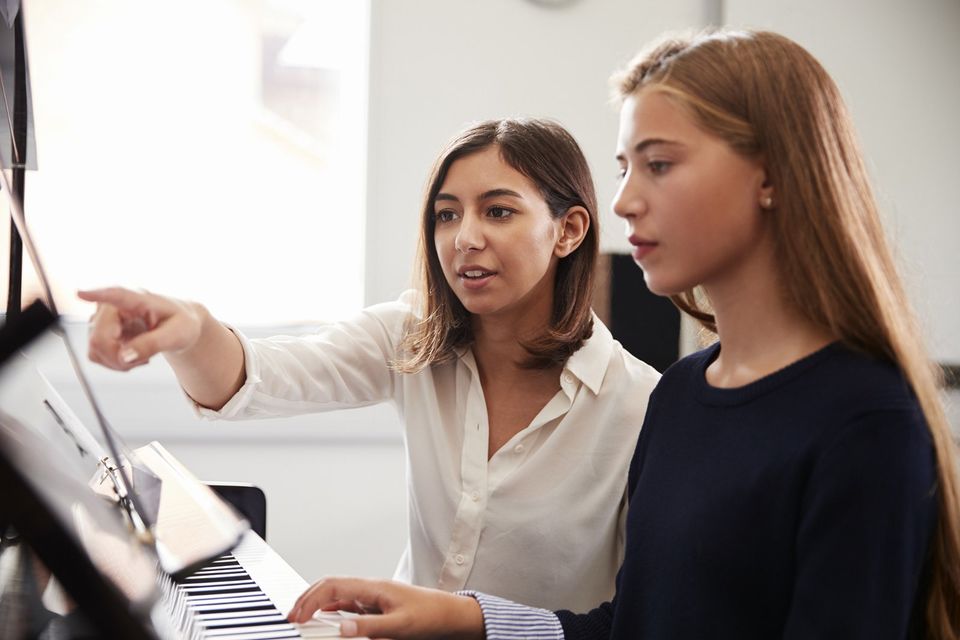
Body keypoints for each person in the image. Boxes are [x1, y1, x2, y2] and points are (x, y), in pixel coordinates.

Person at [284, 29, 960, 640]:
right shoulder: (684, 395)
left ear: (772, 176)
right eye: (624, 167)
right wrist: (461, 617)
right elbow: (629, 626)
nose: (624, 201)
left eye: (659, 164)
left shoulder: (866, 421)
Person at [79, 118, 662, 612]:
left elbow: (644, 614)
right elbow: (258, 376)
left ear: (569, 230)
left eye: (499, 212)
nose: (464, 238)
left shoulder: (642, 405)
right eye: (447, 215)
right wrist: (190, 331)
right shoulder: (411, 336)